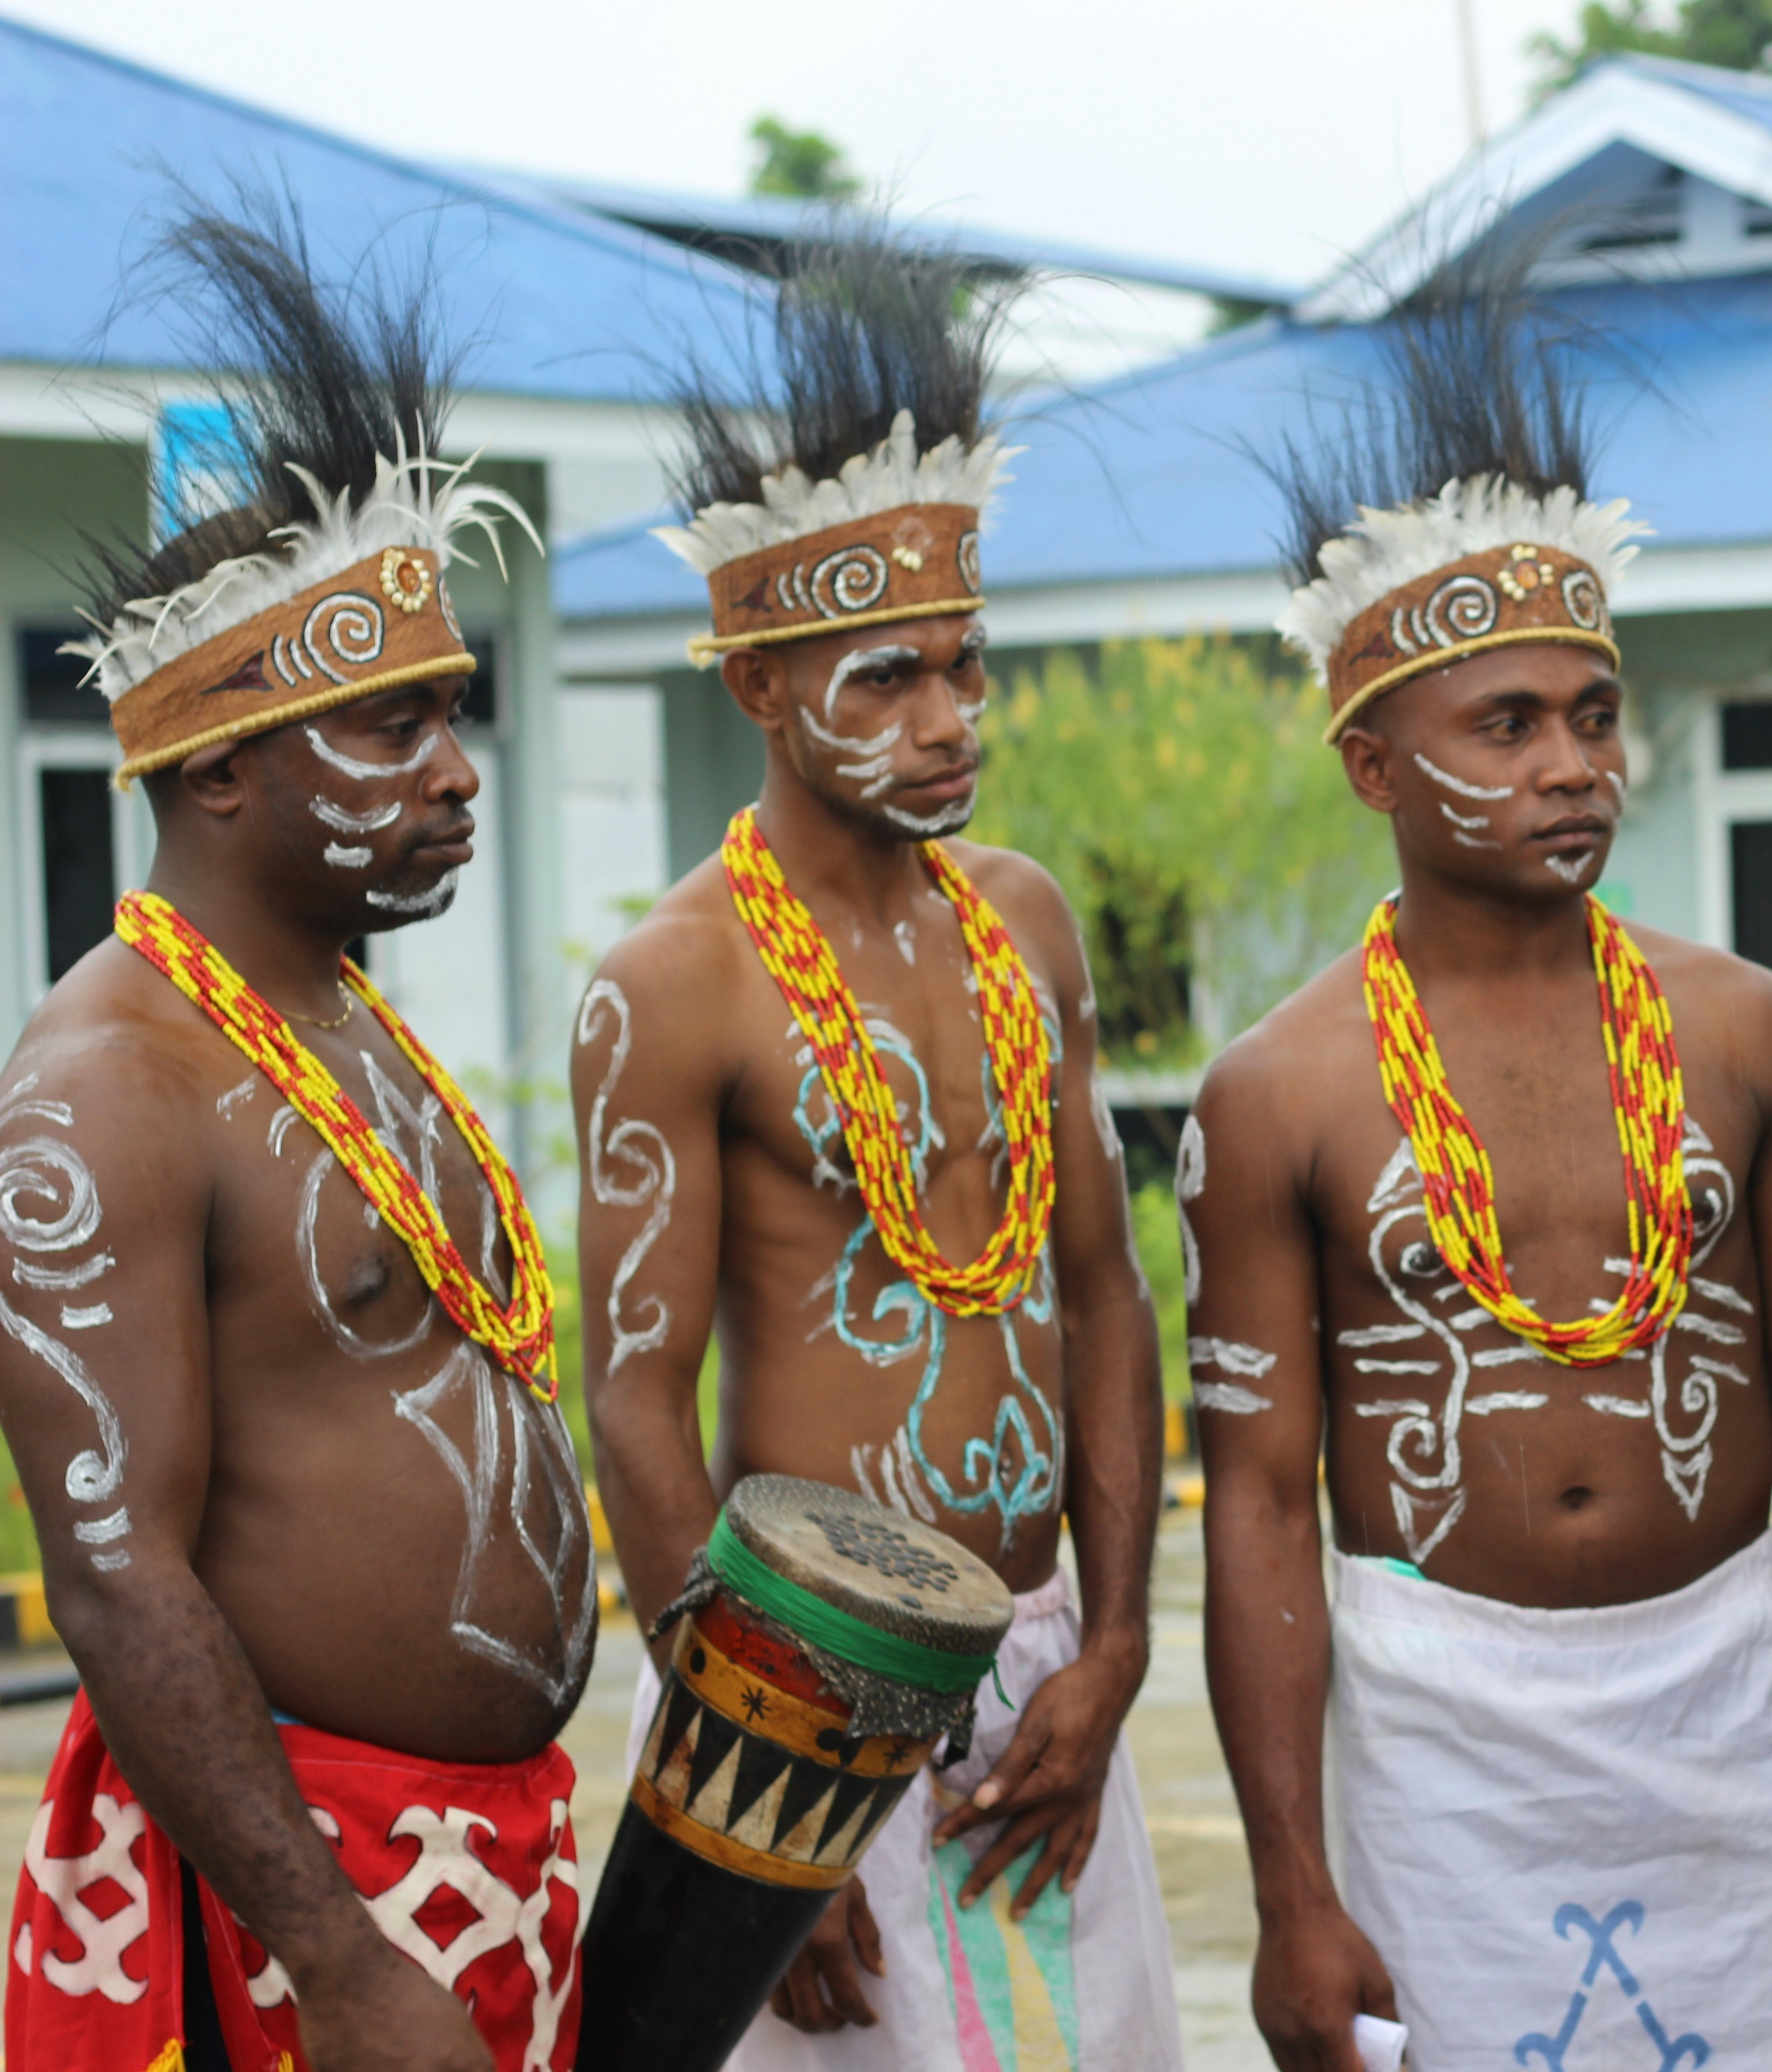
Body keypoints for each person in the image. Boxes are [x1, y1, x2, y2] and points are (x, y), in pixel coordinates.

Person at [1181, 273, 1772, 2072]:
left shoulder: (1749, 1030)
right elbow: (1256, 1503)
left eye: (1595, 716)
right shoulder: (1279, 1092)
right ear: (1375, 764)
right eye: (1507, 728)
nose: (1573, 769)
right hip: (1441, 1726)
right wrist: (1295, 1891)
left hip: (1723, 1706)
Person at [577, 226, 1178, 2069]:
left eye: (965, 670)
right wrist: (756, 1787)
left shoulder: (1026, 924)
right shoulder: (671, 985)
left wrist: (1118, 1651)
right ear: (762, 690)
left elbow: (1104, 1292)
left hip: (1050, 1665)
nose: (952, 724)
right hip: (791, 1686)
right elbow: (631, 1401)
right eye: (890, 680)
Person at [0, 203, 592, 2072]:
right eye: (392, 726)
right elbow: (110, 1566)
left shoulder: (339, 1020)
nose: (455, 769)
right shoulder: (106, 1085)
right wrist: (334, 1957)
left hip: (483, 1863)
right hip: (297, 1914)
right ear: (224, 767)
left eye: (454, 717)